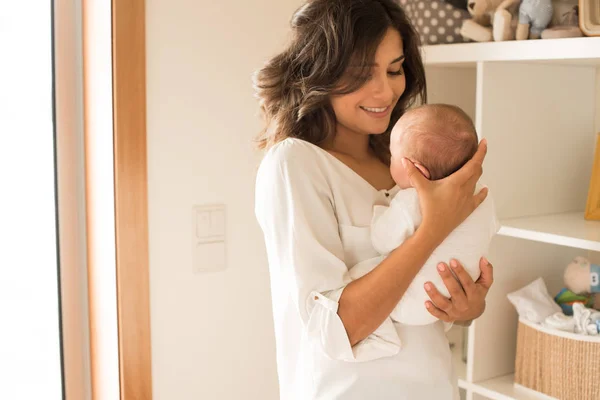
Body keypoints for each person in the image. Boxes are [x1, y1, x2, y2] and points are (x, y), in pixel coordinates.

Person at [253, 1, 494, 399]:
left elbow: (431, 299)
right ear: (320, 72)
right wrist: (433, 229)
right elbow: (336, 327)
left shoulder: (406, 163)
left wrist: (468, 307)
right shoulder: (294, 164)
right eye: (361, 75)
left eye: (395, 69)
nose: (386, 91)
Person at [346, 104, 499, 359]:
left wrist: (382, 212)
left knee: (356, 275)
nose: (389, 161)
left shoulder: (411, 201)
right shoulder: (482, 192)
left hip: (414, 302)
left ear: (416, 171)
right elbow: (492, 227)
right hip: (450, 296)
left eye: (393, 157)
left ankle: (381, 339)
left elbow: (382, 240)